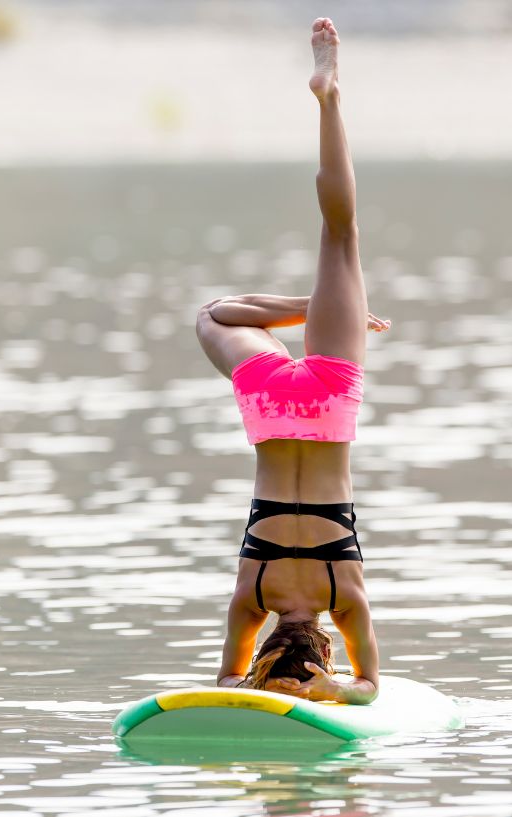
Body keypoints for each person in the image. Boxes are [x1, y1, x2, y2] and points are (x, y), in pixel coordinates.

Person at [195, 18, 387, 705]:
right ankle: (317, 301)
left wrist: (335, 687)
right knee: (212, 313)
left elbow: (368, 685)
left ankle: (329, 96)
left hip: (325, 402)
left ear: (318, 648)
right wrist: (258, 680)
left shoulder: (346, 596)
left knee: (342, 235)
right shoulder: (255, 595)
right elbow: (226, 678)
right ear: (273, 642)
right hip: (273, 402)